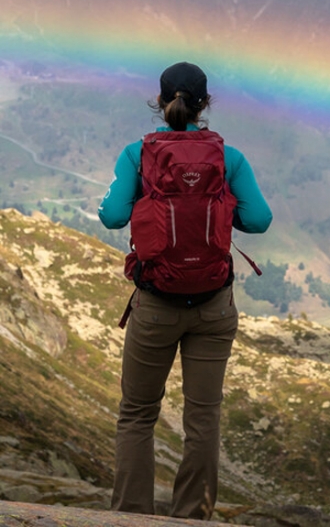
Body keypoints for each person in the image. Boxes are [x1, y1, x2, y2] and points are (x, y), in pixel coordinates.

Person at [98, 61, 272, 519]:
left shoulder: (138, 155)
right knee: (203, 419)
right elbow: (259, 220)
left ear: (160, 101)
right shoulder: (227, 158)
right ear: (205, 102)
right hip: (214, 307)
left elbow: (113, 216)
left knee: (137, 414)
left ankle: (132, 516)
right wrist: (214, 212)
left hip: (156, 304)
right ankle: (192, 517)